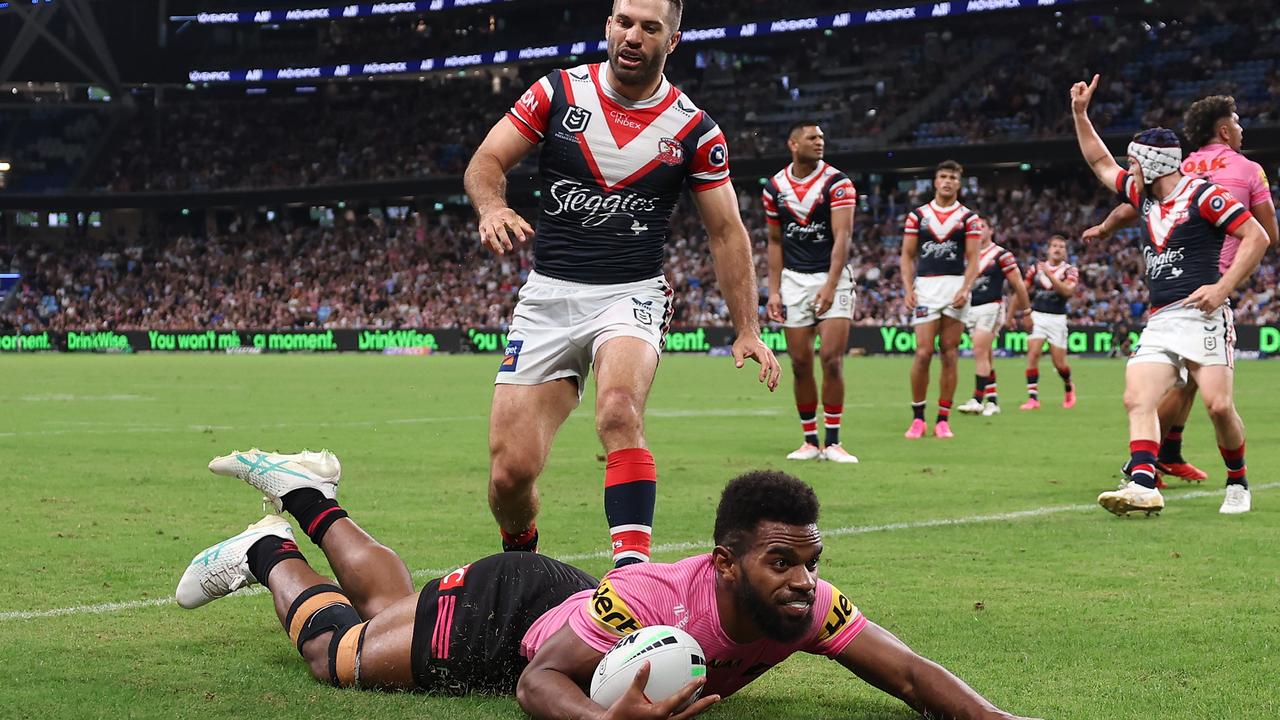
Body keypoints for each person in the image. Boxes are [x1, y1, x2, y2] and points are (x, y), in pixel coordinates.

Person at [179, 448, 1043, 720]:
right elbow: (536, 682)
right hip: (504, 614)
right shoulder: (658, 601)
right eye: (782, 562)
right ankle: (264, 549)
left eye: (809, 561)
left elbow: (910, 674)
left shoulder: (807, 606)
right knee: (339, 656)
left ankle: (306, 492)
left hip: (564, 605)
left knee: (385, 608)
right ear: (724, 562)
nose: (802, 582)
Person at [462, 0, 781, 567]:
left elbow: (727, 232)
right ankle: (522, 554)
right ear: (608, 26)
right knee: (509, 476)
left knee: (617, 409)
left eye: (649, 27)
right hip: (548, 296)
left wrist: (747, 328)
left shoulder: (693, 129)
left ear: (672, 40)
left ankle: (632, 576)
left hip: (630, 293)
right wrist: (491, 207)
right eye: (624, 22)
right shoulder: (557, 93)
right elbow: (487, 159)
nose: (633, 36)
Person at [1069, 75, 1269, 517]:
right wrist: (1080, 115)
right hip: (1161, 320)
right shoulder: (1142, 196)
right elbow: (1100, 163)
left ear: (1154, 163)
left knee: (1218, 406)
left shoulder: (1204, 196)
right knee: (1136, 398)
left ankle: (1238, 481)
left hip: (1202, 316)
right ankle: (1143, 482)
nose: (1129, 171)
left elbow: (1256, 236)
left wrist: (1221, 289)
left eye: (1135, 163)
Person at [763, 122, 859, 463]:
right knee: (801, 364)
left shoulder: (838, 183)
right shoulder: (774, 187)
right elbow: (775, 241)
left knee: (831, 359)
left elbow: (843, 238)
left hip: (831, 277)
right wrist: (773, 291)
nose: (820, 142)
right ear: (793, 143)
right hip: (793, 281)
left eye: (822, 137)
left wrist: (832, 285)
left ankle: (833, 441)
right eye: (812, 138)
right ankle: (809, 440)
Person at [900, 160, 983, 439]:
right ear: (935, 182)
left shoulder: (968, 218)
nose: (947, 181)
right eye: (943, 176)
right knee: (923, 353)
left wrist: (966, 287)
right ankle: (918, 417)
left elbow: (973, 258)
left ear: (959, 183)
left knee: (949, 353)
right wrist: (908, 288)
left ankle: (943, 418)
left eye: (952, 177)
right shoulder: (918, 216)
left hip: (955, 286)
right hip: (926, 287)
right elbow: (907, 256)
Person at [956, 219, 1030, 417]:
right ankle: (993, 401)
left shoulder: (1001, 255)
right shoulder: (968, 256)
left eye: (983, 227)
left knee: (979, 351)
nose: (978, 231)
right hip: (971, 308)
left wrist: (1026, 310)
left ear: (991, 230)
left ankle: (977, 399)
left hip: (991, 306)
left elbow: (1018, 284)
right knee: (986, 355)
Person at [1018, 235, 1080, 411]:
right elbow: (1022, 289)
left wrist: (1050, 275)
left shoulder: (1070, 270)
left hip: (1057, 318)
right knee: (1033, 353)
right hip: (1037, 315)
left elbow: (1067, 292)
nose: (1057, 249)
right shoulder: (1035, 269)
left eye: (1061, 246)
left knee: (1059, 364)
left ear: (1066, 252)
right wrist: (1020, 312)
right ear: (1048, 249)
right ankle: (1033, 398)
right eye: (1054, 245)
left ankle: (1068, 385)